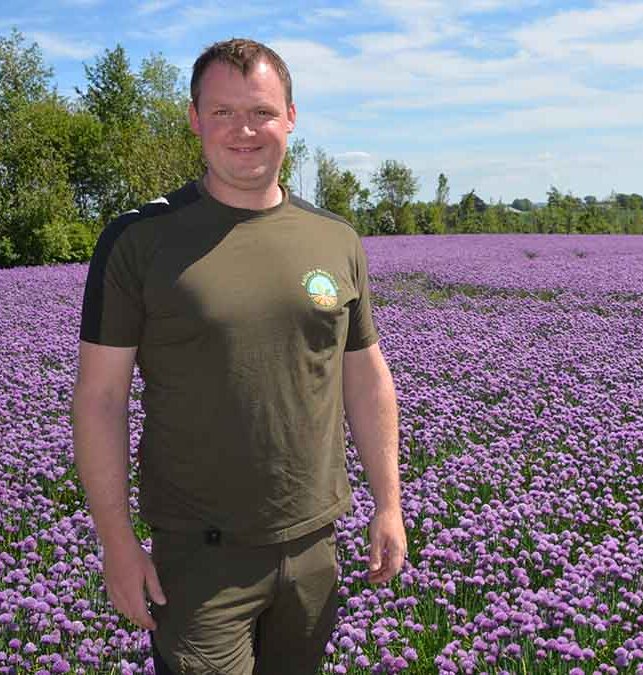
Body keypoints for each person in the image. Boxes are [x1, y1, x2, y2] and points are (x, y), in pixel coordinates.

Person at [71, 38, 406, 675]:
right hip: (200, 561)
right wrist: (116, 543)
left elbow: (365, 378)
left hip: (315, 548)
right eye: (222, 113)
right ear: (195, 119)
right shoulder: (139, 240)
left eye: (260, 111)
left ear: (291, 117)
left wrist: (388, 504)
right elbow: (100, 399)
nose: (244, 130)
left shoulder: (335, 238)